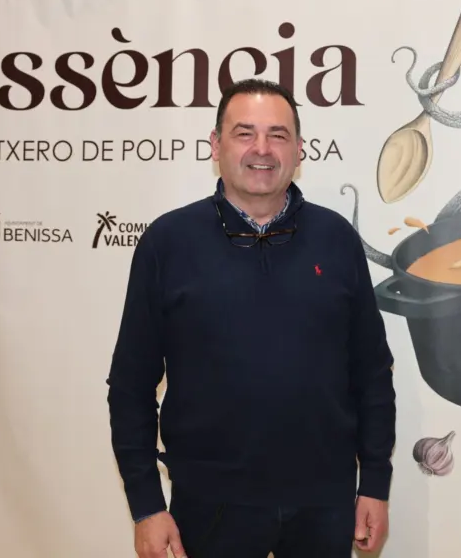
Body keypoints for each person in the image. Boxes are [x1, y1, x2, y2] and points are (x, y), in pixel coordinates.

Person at [105, 78, 397, 558]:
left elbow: (372, 373)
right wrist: (146, 506)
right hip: (209, 505)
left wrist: (376, 484)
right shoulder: (168, 242)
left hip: (324, 502)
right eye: (244, 133)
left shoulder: (337, 239)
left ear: (299, 150)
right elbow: (130, 386)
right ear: (216, 145)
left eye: (277, 135)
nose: (262, 149)